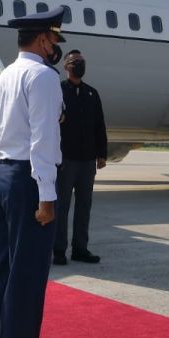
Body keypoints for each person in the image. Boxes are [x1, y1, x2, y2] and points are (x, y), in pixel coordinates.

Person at [0, 7, 67, 338]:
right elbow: (43, 142)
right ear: (43, 40)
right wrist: (46, 197)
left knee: (1, 275)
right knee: (27, 283)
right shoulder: (44, 77)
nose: (55, 48)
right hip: (28, 182)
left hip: (1, 177)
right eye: (54, 40)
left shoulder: (4, 77)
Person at [54, 49, 108, 265]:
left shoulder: (92, 94)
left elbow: (99, 125)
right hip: (66, 159)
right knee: (62, 206)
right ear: (66, 66)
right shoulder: (58, 91)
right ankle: (58, 250)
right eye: (75, 62)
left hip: (87, 161)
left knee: (84, 206)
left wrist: (101, 154)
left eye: (82, 62)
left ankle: (80, 248)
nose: (79, 65)